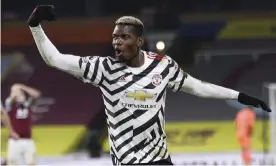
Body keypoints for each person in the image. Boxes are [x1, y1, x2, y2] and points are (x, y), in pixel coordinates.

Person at [27, 5, 271, 165]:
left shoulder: (162, 65)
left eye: (124, 37)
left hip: (160, 160)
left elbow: (197, 87)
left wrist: (240, 96)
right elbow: (54, 59)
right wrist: (35, 26)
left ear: (140, 41)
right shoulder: (104, 68)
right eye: (115, 37)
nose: (117, 42)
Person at [5, 83, 41, 165]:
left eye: (20, 92)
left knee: (31, 163)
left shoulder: (28, 105)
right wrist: (15, 90)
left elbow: (37, 94)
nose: (18, 94)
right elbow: (11, 98)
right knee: (13, 163)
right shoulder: (10, 104)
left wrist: (22, 87)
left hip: (28, 139)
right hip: (15, 140)